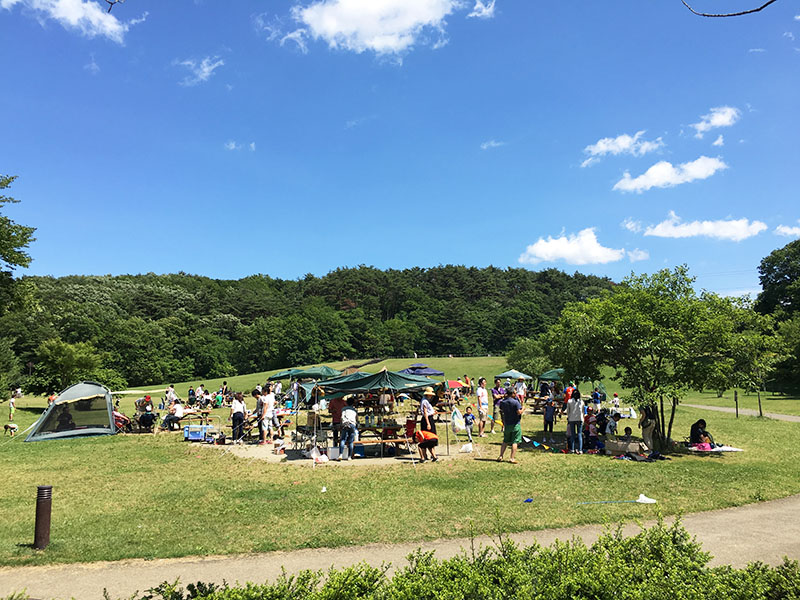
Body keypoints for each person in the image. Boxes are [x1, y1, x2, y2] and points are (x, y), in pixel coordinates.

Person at [497, 388, 523, 463]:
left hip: (507, 424)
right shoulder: (515, 402)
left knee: (505, 441)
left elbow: (501, 410)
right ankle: (512, 458)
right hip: (515, 424)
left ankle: (501, 455)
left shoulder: (503, 402)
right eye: (514, 393)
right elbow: (519, 412)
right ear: (512, 394)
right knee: (515, 441)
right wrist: (523, 409)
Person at [419, 387, 438, 459]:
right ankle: (426, 455)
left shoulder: (426, 401)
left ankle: (432, 454)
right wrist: (428, 423)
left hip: (430, 418)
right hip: (427, 420)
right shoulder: (424, 401)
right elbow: (425, 413)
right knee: (428, 437)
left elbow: (428, 412)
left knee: (431, 436)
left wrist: (433, 413)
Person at [566, 388, 584, 454]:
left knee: (572, 435)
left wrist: (568, 417)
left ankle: (572, 449)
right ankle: (580, 450)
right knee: (579, 434)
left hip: (572, 419)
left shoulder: (569, 401)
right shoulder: (581, 402)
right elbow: (582, 411)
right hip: (579, 419)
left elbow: (568, 411)